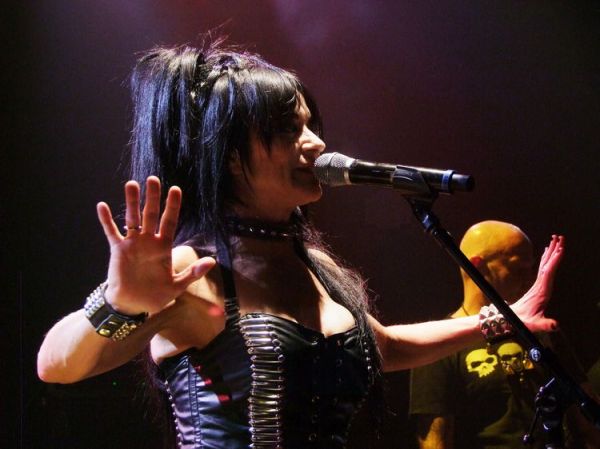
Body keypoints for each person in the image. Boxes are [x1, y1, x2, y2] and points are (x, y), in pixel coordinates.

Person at [36, 43, 564, 449]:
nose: (316, 143)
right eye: (291, 130)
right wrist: (120, 304)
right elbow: (55, 363)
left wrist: (504, 319)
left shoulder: (315, 265)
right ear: (231, 155)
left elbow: (387, 347)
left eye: (311, 125)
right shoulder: (196, 268)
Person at [409, 220, 598, 449]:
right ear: (478, 267)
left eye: (532, 268)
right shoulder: (439, 343)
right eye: (519, 268)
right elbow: (435, 441)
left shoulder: (541, 331)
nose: (530, 278)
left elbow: (587, 422)